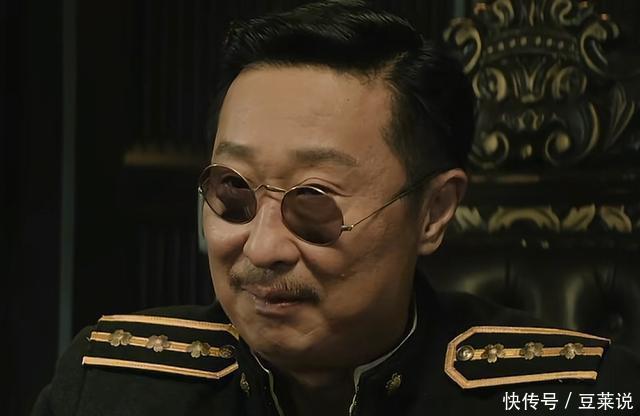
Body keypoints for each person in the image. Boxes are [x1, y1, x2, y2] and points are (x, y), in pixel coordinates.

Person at [33, 1, 639, 415]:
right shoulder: (108, 390)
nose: (262, 247)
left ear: (433, 212)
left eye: (314, 203)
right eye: (234, 193)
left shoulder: (580, 395)